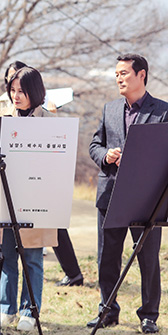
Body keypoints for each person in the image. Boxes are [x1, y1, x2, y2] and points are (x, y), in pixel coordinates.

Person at [88, 53, 166, 334]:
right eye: (116, 74)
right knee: (107, 255)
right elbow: (95, 144)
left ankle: (149, 315)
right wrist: (106, 155)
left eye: (124, 73)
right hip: (110, 194)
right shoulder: (109, 109)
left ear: (141, 75)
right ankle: (107, 311)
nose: (119, 78)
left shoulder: (163, 111)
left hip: (147, 197)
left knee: (148, 256)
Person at [0, 66, 58, 332]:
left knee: (32, 257)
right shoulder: (2, 116)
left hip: (38, 198)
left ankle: (29, 310)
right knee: (6, 255)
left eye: (22, 91)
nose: (16, 96)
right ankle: (6, 308)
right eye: (12, 90)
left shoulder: (48, 120)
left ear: (35, 92)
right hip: (8, 194)